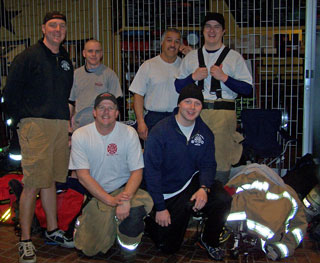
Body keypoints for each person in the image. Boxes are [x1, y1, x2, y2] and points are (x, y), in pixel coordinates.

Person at [3, 11, 74, 263]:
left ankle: (53, 231)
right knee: (32, 182)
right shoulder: (28, 57)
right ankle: (24, 240)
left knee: (51, 180)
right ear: (43, 28)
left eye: (62, 25)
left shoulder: (65, 58)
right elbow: (10, 94)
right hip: (35, 125)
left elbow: (64, 93)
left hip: (58, 125)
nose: (58, 29)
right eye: (53, 25)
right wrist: (25, 119)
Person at [143, 83, 232, 261]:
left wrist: (204, 188)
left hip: (190, 184)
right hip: (167, 192)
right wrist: (160, 207)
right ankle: (147, 220)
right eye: (187, 102)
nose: (192, 108)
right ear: (179, 104)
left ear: (201, 107)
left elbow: (208, 164)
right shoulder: (160, 131)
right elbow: (151, 172)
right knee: (168, 248)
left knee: (222, 198)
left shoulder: (204, 133)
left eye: (197, 103)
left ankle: (209, 240)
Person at [69, 92, 153, 260]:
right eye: (101, 107)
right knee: (89, 249)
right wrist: (109, 200)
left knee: (135, 211)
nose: (106, 112)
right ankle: (106, 225)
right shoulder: (81, 135)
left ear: (117, 113)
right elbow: (83, 176)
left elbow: (137, 171)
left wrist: (125, 199)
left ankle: (127, 246)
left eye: (111, 108)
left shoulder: (129, 133)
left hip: (124, 189)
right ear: (94, 112)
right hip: (97, 194)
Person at [175, 12, 253, 184]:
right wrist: (193, 77)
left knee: (221, 159)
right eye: (208, 26)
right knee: (192, 153)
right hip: (195, 114)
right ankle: (192, 198)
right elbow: (178, 86)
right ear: (202, 31)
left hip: (223, 114)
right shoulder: (191, 57)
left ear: (223, 31)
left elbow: (248, 89)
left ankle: (218, 197)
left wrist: (225, 78)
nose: (212, 30)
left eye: (216, 27)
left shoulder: (234, 58)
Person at [129, 28, 192, 141]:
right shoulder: (148, 65)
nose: (173, 44)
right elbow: (138, 95)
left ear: (180, 45)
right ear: (162, 43)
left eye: (177, 41)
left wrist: (191, 56)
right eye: (169, 40)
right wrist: (141, 122)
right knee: (154, 156)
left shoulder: (185, 67)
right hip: (153, 119)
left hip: (178, 118)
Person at [69, 39, 122, 131]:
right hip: (79, 128)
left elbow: (117, 103)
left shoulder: (110, 75)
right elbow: (70, 102)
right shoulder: (76, 74)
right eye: (90, 51)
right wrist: (68, 125)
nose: (93, 54)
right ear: (84, 53)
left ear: (101, 54)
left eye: (97, 51)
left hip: (102, 128)